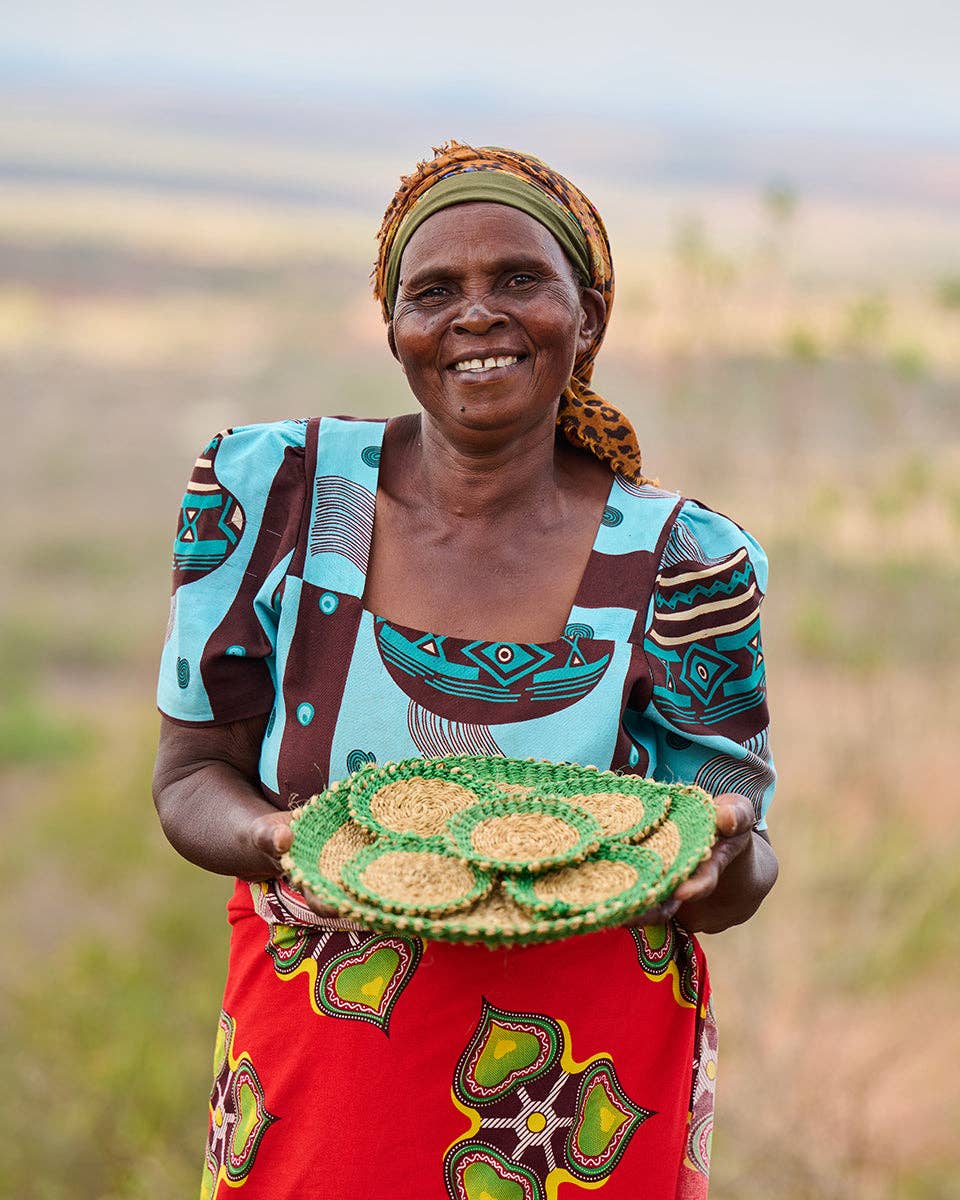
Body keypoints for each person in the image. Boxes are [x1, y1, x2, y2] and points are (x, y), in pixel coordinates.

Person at [153, 141, 778, 1200]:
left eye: (520, 280)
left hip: (580, 1107)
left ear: (588, 317)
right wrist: (280, 839)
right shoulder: (279, 499)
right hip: (326, 1074)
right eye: (434, 290)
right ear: (394, 326)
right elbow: (189, 777)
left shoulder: (684, 563)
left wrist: (717, 871)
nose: (475, 316)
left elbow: (744, 847)